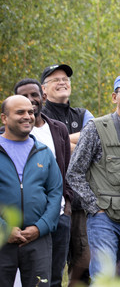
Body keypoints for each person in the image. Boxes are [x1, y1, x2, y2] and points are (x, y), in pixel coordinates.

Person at [68, 73, 120, 286]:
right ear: (115, 97)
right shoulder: (96, 128)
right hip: (105, 220)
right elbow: (74, 172)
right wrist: (94, 207)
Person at [38, 64, 95, 284]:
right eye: (56, 80)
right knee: (51, 265)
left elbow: (93, 140)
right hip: (50, 202)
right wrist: (73, 141)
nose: (63, 82)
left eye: (65, 79)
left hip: (80, 201)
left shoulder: (82, 113)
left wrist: (59, 140)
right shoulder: (38, 116)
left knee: (82, 265)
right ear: (44, 90)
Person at [12, 79, 72, 287]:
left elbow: (67, 170)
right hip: (22, 222)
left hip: (58, 216)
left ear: (43, 97)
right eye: (24, 96)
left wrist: (67, 207)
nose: (31, 100)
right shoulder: (8, 135)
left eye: (34, 95)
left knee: (53, 277)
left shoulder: (58, 129)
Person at [0, 95, 63, 287]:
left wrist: (40, 228)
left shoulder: (44, 152)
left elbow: (55, 194)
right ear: (4, 118)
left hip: (38, 239)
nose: (28, 116)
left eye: (30, 112)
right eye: (20, 112)